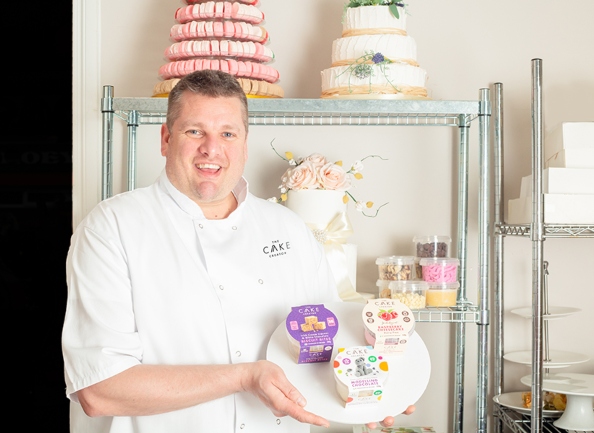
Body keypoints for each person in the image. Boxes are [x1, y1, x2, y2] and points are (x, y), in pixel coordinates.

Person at [61, 70, 414, 432]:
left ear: (245, 145)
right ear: (166, 139)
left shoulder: (288, 228)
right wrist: (244, 377)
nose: (211, 149)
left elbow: (326, 347)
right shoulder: (112, 228)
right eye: (194, 131)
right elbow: (99, 390)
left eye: (227, 134)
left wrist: (371, 389)